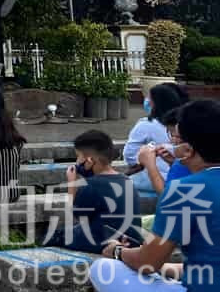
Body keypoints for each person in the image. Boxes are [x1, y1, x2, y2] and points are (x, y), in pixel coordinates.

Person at [90, 99, 220, 292]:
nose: (171, 144)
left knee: (103, 268)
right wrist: (165, 268)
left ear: (187, 150)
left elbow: (147, 262)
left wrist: (117, 251)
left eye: (176, 139)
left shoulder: (184, 190)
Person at [43, 130, 142, 253]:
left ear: (89, 160)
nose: (77, 162)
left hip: (104, 241)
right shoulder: (126, 180)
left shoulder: (91, 185)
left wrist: (72, 185)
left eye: (78, 157)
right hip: (131, 240)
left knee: (53, 235)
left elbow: (74, 215)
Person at [123, 83, 189, 193]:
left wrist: (147, 162)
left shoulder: (146, 124)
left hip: (155, 178)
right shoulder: (187, 119)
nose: (174, 140)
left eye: (149, 98)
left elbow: (129, 155)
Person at [137, 107, 191, 197]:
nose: (173, 141)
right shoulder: (181, 164)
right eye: (170, 134)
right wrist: (172, 163)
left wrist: (150, 165)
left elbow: (168, 198)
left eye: (178, 137)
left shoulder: (187, 166)